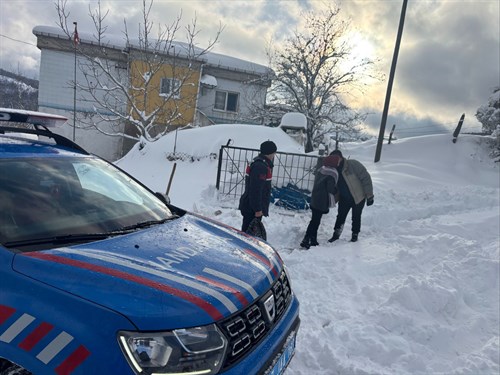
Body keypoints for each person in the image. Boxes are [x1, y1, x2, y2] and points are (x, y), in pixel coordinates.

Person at [328, 149, 374, 243]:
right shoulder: (333, 169)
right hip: (344, 198)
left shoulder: (353, 165)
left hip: (358, 197)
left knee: (356, 216)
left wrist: (369, 195)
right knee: (340, 216)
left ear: (340, 158)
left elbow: (366, 178)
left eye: (336, 158)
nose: (334, 161)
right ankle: (336, 234)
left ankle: (355, 234)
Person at [300, 154, 340, 249]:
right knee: (316, 221)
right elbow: (330, 189)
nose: (338, 163)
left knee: (314, 220)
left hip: (315, 197)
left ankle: (308, 238)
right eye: (337, 161)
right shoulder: (331, 174)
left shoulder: (322, 169)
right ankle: (311, 240)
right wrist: (337, 191)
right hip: (322, 200)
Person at [238, 140, 277, 238]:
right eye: (274, 152)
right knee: (249, 235)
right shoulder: (260, 166)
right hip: (251, 207)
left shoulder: (259, 163)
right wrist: (258, 209)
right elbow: (256, 190)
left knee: (250, 233)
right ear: (270, 152)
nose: (274, 155)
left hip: (250, 205)